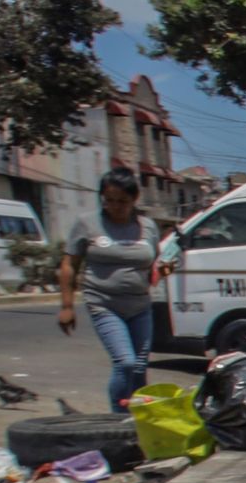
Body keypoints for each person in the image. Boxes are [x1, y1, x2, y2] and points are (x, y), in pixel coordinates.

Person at [57, 167, 165, 413]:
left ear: (134, 199)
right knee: (125, 363)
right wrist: (66, 306)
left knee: (139, 368)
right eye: (109, 200)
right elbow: (68, 264)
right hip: (105, 304)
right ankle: (117, 421)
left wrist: (160, 271)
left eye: (122, 201)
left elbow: (154, 262)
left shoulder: (147, 227)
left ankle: (140, 421)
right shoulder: (87, 223)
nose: (115, 206)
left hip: (140, 306)